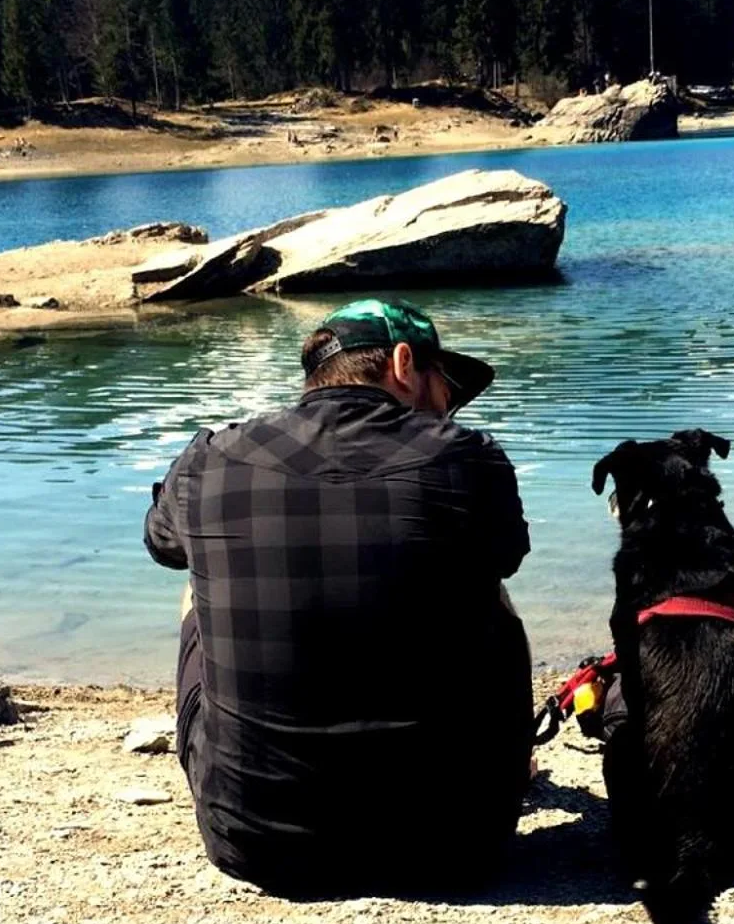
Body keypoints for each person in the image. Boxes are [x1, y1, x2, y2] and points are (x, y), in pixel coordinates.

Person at [144, 299, 534, 893]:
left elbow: (161, 542)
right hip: (457, 842)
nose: (449, 409)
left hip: (254, 843)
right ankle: (480, 763)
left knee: (201, 581)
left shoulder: (209, 458)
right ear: (404, 363)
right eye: (444, 388)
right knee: (489, 591)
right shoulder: (467, 456)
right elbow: (505, 555)